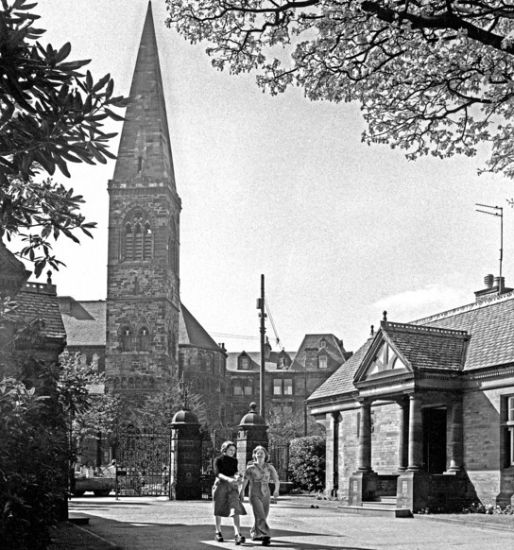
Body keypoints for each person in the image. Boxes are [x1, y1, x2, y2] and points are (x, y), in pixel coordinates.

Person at [241, 446, 280, 546]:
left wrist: (276, 490)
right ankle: (265, 535)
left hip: (266, 491)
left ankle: (255, 533)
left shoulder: (269, 467)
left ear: (265, 455)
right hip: (254, 491)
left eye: (262, 452)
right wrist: (241, 492)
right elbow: (245, 480)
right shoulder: (250, 468)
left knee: (263, 515)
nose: (259, 454)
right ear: (254, 455)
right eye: (257, 453)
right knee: (260, 514)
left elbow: (276, 480)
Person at [212, 440, 246, 544]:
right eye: (230, 450)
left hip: (232, 487)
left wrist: (237, 476)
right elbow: (218, 473)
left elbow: (234, 472)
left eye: (234, 450)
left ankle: (237, 534)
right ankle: (218, 532)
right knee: (218, 508)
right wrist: (228, 479)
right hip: (220, 485)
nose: (232, 452)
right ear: (224, 449)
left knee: (235, 508)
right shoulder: (218, 460)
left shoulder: (234, 460)